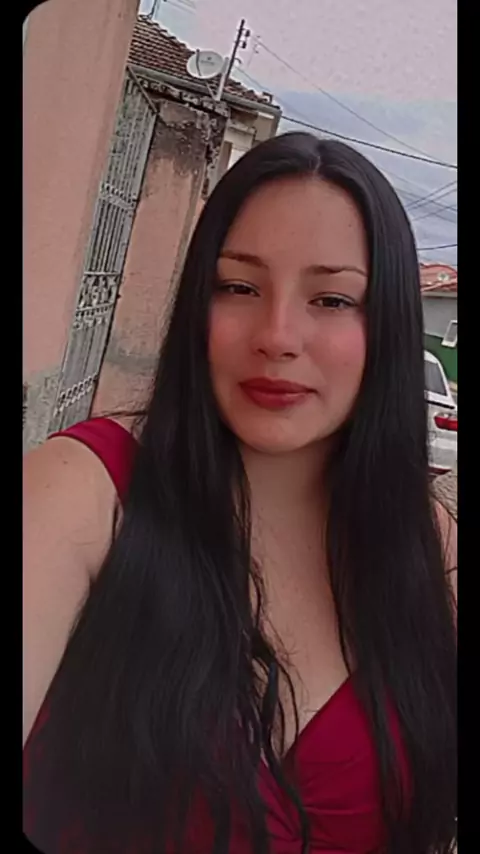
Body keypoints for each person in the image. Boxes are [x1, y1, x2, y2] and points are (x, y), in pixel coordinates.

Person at [23, 132, 457, 854]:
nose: (277, 335)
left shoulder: (432, 551)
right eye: (239, 287)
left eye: (331, 298)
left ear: (387, 327)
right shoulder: (85, 494)